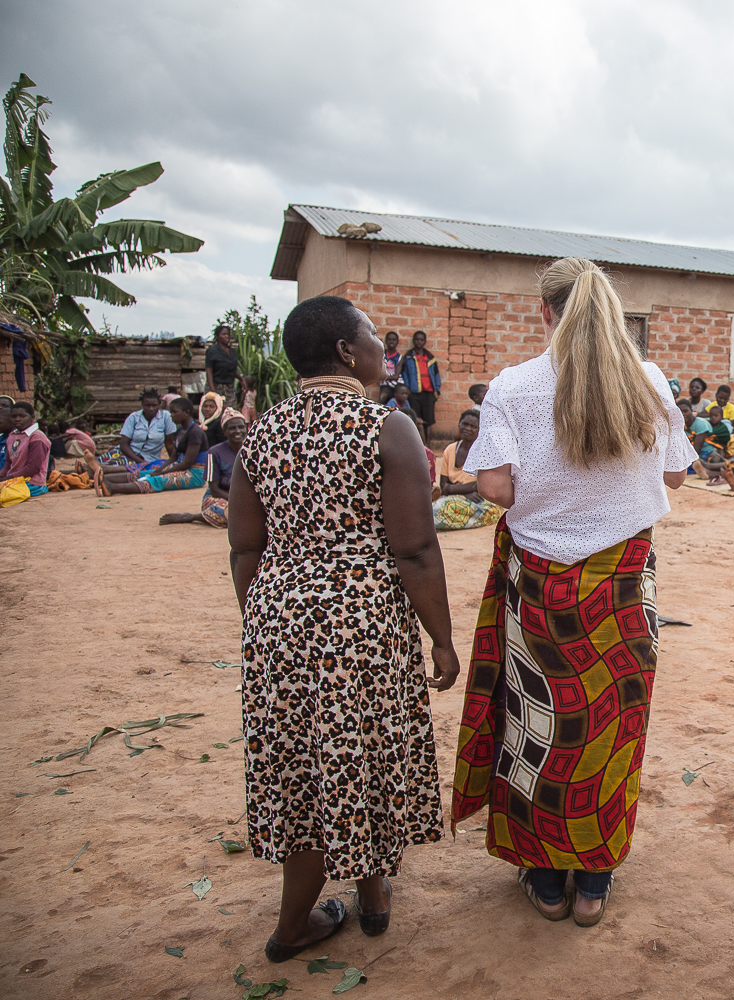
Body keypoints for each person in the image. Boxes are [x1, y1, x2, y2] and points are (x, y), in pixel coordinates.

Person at [455, 258, 695, 926]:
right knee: (612, 728)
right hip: (621, 587)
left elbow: (497, 489)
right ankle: (593, 883)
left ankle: (546, 875)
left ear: (545, 314)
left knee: (539, 725)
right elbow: (674, 478)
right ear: (610, 311)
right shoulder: (648, 381)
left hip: (539, 588)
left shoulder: (513, 385)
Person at [227, 295, 458, 960]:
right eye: (371, 340)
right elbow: (414, 549)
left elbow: (246, 549)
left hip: (278, 618)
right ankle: (298, 924)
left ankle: (371, 891)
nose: (382, 351)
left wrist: (267, 626)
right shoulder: (386, 428)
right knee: (366, 749)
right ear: (345, 354)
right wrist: (441, 638)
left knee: (302, 762)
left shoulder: (263, 432)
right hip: (361, 620)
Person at [100, 397, 207, 495]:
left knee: (158, 480)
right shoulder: (180, 431)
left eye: (175, 412)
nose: (171, 415)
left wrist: (162, 472)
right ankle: (103, 479)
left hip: (195, 474)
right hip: (183, 468)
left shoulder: (195, 433)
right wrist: (157, 471)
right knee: (143, 473)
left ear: (186, 413)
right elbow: (173, 458)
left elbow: (186, 463)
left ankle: (113, 488)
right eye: (171, 412)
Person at [161, 409, 248, 528]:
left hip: (244, 498)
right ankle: (192, 517)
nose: (237, 431)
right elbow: (214, 490)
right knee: (225, 511)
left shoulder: (252, 451)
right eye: (232, 428)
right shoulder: (215, 452)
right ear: (224, 431)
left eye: (241, 427)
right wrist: (240, 502)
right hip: (220, 497)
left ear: (246, 429)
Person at [433, 409, 505, 531]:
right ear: (459, 425)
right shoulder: (450, 450)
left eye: (473, 426)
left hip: (481, 501)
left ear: (480, 430)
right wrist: (465, 492)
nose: (467, 428)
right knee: (435, 509)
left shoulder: (485, 451)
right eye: (465, 424)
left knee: (439, 511)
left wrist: (451, 488)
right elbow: (443, 485)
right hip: (459, 497)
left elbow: (484, 485)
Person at [101, 389, 175, 473]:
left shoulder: (166, 417)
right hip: (128, 454)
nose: (150, 409)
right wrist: (139, 461)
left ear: (159, 404)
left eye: (154, 405)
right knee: (104, 461)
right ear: (142, 405)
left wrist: (174, 462)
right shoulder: (134, 417)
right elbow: (124, 443)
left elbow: (169, 444)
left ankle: (104, 472)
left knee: (123, 469)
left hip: (149, 459)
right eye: (147, 405)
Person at [1, 401, 51, 500]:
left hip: (32, 483)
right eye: (14, 416)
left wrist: (6, 479)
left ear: (32, 417)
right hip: (13, 481)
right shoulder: (12, 436)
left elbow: (33, 468)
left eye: (22, 416)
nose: (17, 419)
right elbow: (8, 464)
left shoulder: (36, 437)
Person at [400, 330, 441, 444]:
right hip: (414, 392)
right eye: (417, 339)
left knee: (428, 420)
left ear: (425, 342)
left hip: (428, 392)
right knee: (416, 419)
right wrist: (407, 389)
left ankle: (428, 445)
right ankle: (418, 444)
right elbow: (405, 374)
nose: (419, 342)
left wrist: (436, 390)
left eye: (421, 340)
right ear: (414, 341)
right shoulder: (408, 357)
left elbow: (436, 374)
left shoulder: (430, 357)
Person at [205, 324, 242, 398]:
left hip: (229, 387)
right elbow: (209, 370)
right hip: (217, 386)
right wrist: (212, 390)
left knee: (230, 409)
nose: (227, 336)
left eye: (228, 334)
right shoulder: (212, 351)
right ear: (217, 336)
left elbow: (232, 369)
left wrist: (242, 379)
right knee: (217, 408)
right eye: (224, 334)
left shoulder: (232, 352)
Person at [380, 331, 403, 403]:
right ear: (386, 341)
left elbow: (396, 376)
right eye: (389, 339)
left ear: (397, 342)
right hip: (385, 385)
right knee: (383, 397)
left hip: (396, 384)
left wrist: (382, 377)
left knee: (401, 398)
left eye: (394, 340)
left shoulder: (399, 357)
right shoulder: (382, 355)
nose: (391, 341)